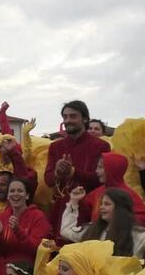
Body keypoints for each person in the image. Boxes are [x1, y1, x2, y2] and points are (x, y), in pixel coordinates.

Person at [45, 100, 111, 235]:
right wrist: (57, 173)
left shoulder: (101, 146)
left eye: (73, 116)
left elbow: (101, 180)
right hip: (60, 210)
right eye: (65, 117)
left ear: (85, 119)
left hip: (90, 209)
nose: (68, 120)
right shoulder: (55, 146)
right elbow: (48, 180)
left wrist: (73, 172)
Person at [63, 186, 145, 258]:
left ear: (120, 209)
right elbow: (66, 231)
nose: (101, 207)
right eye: (101, 204)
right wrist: (73, 202)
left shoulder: (136, 235)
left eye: (107, 204)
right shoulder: (93, 230)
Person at [78, 152, 145, 229]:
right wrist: (77, 199)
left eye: (100, 167)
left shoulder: (126, 194)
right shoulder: (98, 191)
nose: (96, 171)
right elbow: (84, 209)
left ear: (112, 169)